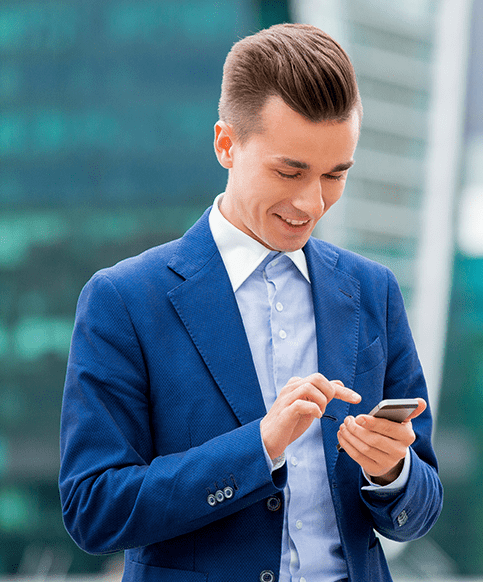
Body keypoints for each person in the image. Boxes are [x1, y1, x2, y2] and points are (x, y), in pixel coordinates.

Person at [59, 23, 442, 582]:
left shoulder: (372, 291)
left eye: (335, 175)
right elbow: (93, 508)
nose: (311, 203)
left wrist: (393, 473)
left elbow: (420, 509)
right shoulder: (124, 301)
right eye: (290, 171)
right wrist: (260, 445)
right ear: (226, 145)